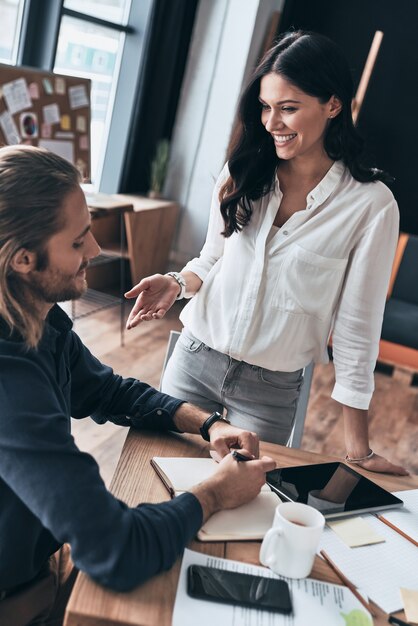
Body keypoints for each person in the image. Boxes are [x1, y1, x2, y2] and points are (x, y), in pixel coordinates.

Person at [0, 145, 275, 626]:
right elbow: (116, 548)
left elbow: (106, 390)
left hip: (38, 561)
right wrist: (215, 493)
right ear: (24, 259)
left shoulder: (39, 319)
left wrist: (206, 423)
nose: (96, 251)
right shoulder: (10, 384)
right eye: (78, 241)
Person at [125, 30, 407, 476]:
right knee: (158, 481)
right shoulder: (242, 171)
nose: (271, 122)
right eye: (265, 106)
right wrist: (177, 283)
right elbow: (212, 257)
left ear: (333, 105)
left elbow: (356, 330)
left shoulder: (371, 205)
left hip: (269, 392)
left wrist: (358, 450)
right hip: (194, 359)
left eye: (289, 108)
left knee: (244, 506)